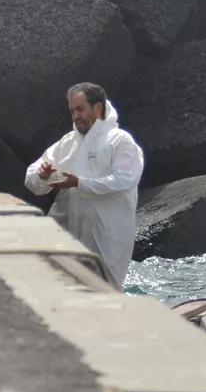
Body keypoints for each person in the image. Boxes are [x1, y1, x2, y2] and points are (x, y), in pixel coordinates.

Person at [23, 83, 144, 289]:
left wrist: (80, 183)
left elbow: (125, 180)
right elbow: (31, 180)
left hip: (106, 237)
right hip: (65, 235)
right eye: (72, 111)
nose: (75, 116)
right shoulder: (67, 143)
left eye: (80, 109)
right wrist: (42, 175)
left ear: (98, 108)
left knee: (103, 293)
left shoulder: (119, 140)